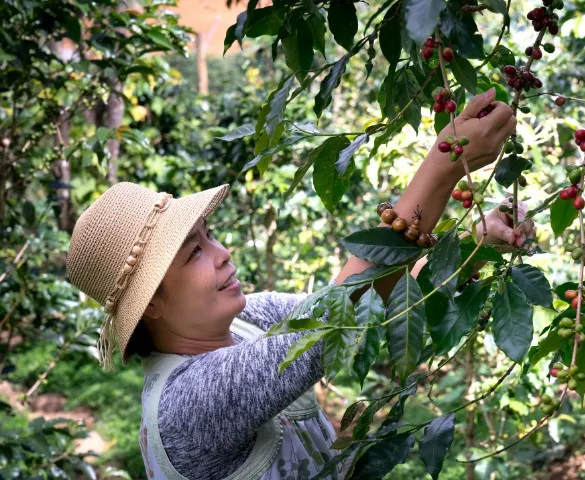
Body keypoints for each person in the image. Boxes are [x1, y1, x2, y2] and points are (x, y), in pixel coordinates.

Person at [66, 87, 536, 479]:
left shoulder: (249, 318)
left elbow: (367, 299)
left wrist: (476, 241)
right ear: (150, 305)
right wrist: (443, 163)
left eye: (209, 238)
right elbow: (330, 323)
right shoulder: (188, 404)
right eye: (193, 253)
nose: (222, 253)